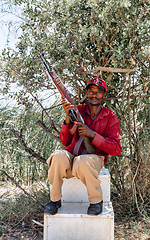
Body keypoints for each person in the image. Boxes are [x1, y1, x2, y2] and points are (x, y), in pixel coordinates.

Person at [44, 77, 122, 215]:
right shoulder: (77, 110)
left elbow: (116, 149)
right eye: (91, 91)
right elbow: (65, 141)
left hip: (93, 160)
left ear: (104, 95)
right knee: (58, 156)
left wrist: (92, 134)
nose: (94, 95)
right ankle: (55, 200)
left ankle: (96, 201)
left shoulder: (110, 117)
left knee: (83, 161)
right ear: (86, 93)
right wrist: (68, 118)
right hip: (72, 159)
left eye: (98, 92)